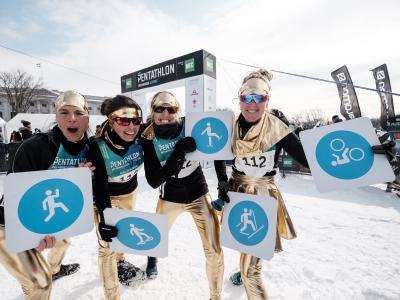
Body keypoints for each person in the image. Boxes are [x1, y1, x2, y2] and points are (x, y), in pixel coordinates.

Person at [214, 69, 309, 299]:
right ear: (240, 100)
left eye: (260, 98)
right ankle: (245, 266)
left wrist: (371, 153)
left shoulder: (276, 126)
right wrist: (222, 183)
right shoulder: (230, 126)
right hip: (237, 192)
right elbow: (217, 154)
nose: (253, 104)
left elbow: (309, 159)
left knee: (251, 274)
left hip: (262, 195)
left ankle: (247, 271)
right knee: (242, 240)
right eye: (247, 98)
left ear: (267, 100)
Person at [0, 90, 94, 299]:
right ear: (56, 116)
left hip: (47, 214)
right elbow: (16, 197)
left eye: (78, 113)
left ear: (87, 117)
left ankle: (54, 269)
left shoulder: (87, 148)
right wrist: (32, 235)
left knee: (63, 241)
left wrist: (88, 178)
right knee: (40, 285)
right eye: (64, 112)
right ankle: (40, 280)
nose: (72, 118)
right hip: (8, 224)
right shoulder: (34, 147)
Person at [140, 91, 224, 300]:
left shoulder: (191, 126)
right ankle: (152, 258)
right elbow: (153, 180)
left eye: (171, 109)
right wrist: (178, 152)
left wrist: (222, 180)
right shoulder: (148, 136)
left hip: (197, 191)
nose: (165, 113)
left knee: (214, 250)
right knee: (156, 235)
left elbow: (217, 149)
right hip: (169, 195)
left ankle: (216, 296)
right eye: (159, 108)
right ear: (153, 112)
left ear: (178, 111)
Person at [88, 95, 145, 299]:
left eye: (135, 120)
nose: (131, 127)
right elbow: (100, 187)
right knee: (107, 245)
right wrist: (105, 218)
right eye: (123, 121)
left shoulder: (142, 135)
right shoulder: (98, 146)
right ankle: (112, 295)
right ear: (112, 121)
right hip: (107, 198)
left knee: (123, 236)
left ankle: (120, 262)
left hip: (130, 192)